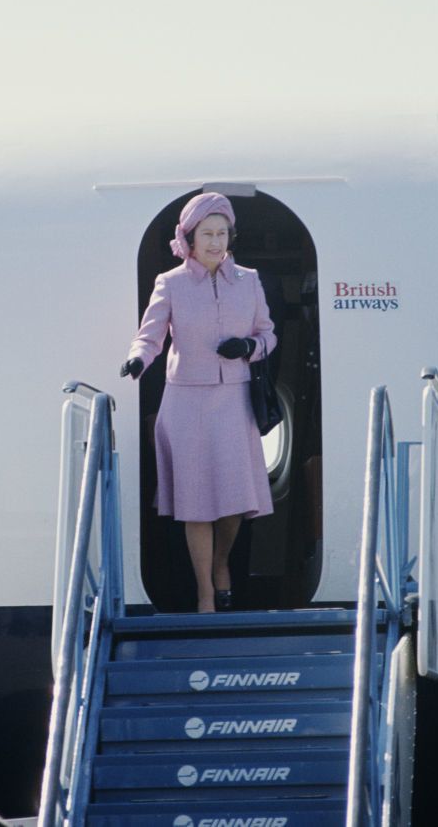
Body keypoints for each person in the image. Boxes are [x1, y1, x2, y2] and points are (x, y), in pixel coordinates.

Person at [121, 192, 277, 613]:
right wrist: (138, 360)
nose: (215, 242)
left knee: (232, 501)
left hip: (233, 399)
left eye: (221, 233)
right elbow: (150, 334)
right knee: (196, 503)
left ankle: (222, 563)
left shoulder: (249, 280)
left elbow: (269, 335)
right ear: (188, 238)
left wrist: (249, 345)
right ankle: (204, 593)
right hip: (185, 402)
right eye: (206, 234)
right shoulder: (169, 283)